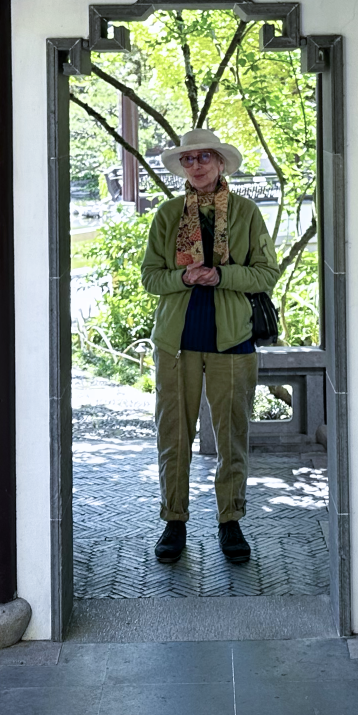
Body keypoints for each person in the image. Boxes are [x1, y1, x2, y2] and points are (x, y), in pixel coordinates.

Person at [139, 127, 279, 565]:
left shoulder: (245, 213)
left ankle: (230, 520)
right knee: (174, 436)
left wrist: (222, 276)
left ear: (220, 163)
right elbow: (150, 278)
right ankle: (174, 520)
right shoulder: (166, 216)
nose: (196, 165)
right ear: (183, 167)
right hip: (176, 344)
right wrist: (183, 277)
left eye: (204, 158)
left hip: (233, 342)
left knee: (232, 435)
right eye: (188, 159)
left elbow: (265, 274)